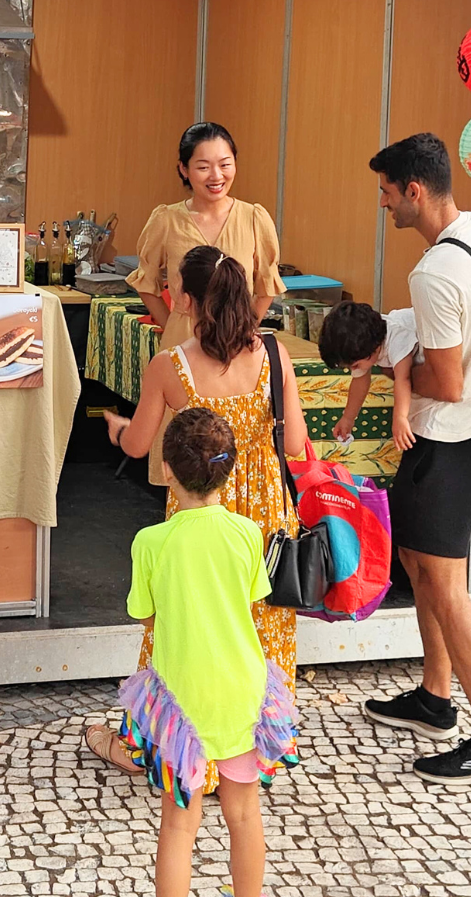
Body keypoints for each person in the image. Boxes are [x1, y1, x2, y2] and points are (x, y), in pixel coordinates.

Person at [84, 247, 307, 788]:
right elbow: (297, 444)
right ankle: (257, 747)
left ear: (185, 300)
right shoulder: (275, 356)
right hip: (263, 515)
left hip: (195, 507)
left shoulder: (170, 365)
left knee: (180, 627)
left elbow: (139, 446)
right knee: (259, 626)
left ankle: (167, 745)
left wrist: (113, 426)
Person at [363, 133, 471, 787]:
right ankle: (435, 699)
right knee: (419, 564)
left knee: (448, 590)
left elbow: (448, 381)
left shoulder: (433, 272)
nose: (382, 204)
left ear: (415, 191)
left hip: (450, 439)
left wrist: (394, 378)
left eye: (385, 192)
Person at [119, 407, 293, 897]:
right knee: (244, 814)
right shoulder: (246, 532)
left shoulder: (151, 541)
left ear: (166, 470)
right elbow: (251, 600)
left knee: (179, 823)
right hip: (242, 693)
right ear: (227, 470)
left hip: (180, 705)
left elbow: (144, 615)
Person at [127, 123, 284, 484]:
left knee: (235, 450)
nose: (216, 176)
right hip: (183, 340)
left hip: (238, 344)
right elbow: (146, 282)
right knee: (186, 451)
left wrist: (245, 326)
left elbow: (266, 286)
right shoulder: (166, 219)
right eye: (203, 166)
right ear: (183, 169)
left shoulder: (254, 217)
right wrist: (173, 324)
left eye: (225, 164)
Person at [318, 301, 419, 452]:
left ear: (375, 348)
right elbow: (359, 381)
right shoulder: (365, 341)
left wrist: (400, 417)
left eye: (355, 365)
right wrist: (348, 418)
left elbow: (403, 379)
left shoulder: (397, 338)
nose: (354, 369)